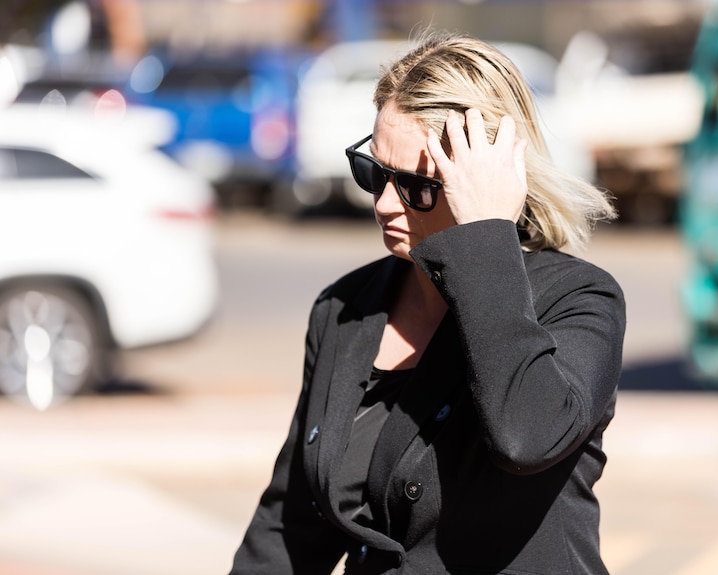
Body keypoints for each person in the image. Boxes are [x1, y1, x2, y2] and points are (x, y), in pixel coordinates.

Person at [230, 31, 626, 575]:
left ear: (489, 180)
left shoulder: (578, 299)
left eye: (417, 184)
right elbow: (291, 526)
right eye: (373, 172)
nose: (385, 203)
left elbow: (526, 438)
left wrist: (487, 235)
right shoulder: (345, 308)